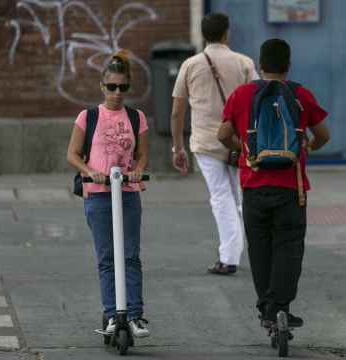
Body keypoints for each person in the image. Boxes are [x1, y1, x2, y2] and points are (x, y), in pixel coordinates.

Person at [217, 38, 330, 328]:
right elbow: (324, 134)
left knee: (260, 247)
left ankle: (267, 308)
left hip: (253, 185)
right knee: (289, 247)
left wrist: (242, 148)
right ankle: (280, 307)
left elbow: (222, 134)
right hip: (291, 188)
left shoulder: (242, 95)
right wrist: (309, 147)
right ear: (288, 65)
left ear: (260, 64)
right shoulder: (301, 94)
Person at [66, 51, 150, 338]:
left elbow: (142, 156)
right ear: (102, 86)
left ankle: (136, 315)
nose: (117, 93)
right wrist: (90, 170)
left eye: (123, 87)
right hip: (99, 193)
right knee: (106, 257)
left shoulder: (137, 118)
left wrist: (138, 171)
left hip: (127, 192)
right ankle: (113, 314)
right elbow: (72, 154)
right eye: (112, 87)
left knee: (130, 256)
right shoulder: (88, 117)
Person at [170, 12, 258, 275]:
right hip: (238, 142)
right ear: (226, 33)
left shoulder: (190, 65)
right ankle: (252, 251)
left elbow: (177, 111)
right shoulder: (244, 63)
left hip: (206, 143)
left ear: (202, 34)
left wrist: (178, 147)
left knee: (221, 197)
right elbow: (257, 100)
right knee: (241, 196)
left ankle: (229, 258)